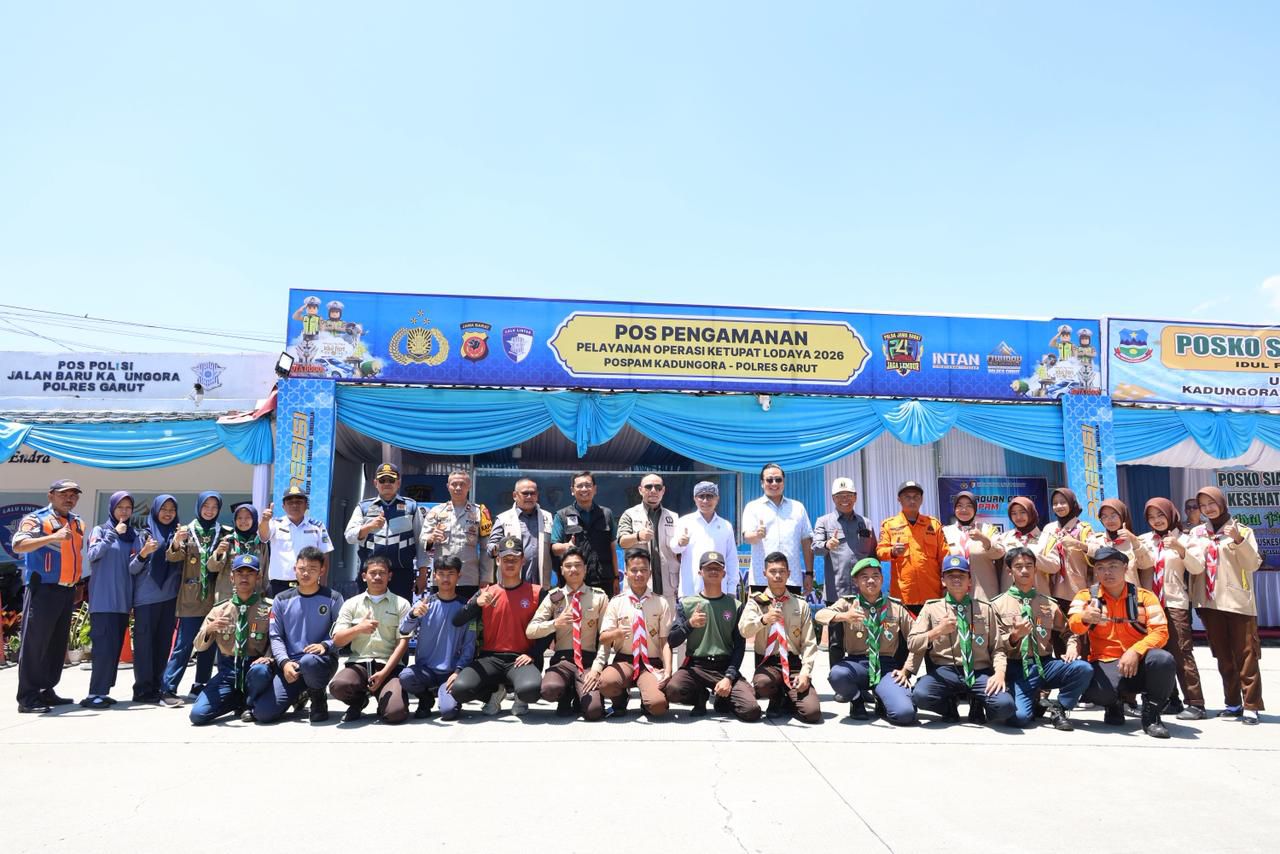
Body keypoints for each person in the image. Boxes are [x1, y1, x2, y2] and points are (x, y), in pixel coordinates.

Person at [1067, 546, 1175, 738]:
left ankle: (1151, 715)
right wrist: (1084, 617)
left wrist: (1136, 650)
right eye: (1100, 568)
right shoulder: (1086, 596)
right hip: (1105, 661)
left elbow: (1161, 632)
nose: (1107, 572)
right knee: (1098, 692)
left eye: (1113, 566)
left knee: (1163, 660)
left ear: (1125, 568)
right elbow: (1073, 625)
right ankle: (1113, 704)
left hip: (1139, 661)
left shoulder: (1145, 597)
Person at [990, 547, 1092, 731]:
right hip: (1016, 667)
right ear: (1009, 571)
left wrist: (1072, 646)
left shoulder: (1048, 603)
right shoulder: (996, 605)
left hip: (1044, 665)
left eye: (1029, 566)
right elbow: (993, 645)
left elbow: (1069, 631)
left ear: (1036, 569)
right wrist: (1014, 636)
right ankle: (1032, 701)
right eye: (1018, 566)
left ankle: (1059, 708)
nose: (1024, 570)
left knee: (1082, 669)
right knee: (1019, 719)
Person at [1189, 486, 1266, 725]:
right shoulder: (1197, 533)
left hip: (1237, 602)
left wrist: (1238, 540)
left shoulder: (1242, 530)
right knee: (1223, 656)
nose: (1208, 509)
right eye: (1203, 505)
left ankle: (1251, 705)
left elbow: (1252, 564)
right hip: (1209, 602)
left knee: (1246, 655)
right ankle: (1232, 703)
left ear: (1222, 503)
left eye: (1212, 503)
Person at [908, 555, 1014, 726]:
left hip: (978, 671)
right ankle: (948, 706)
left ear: (969, 580)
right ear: (943, 580)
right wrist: (937, 631)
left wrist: (1000, 674)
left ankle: (979, 702)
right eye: (951, 575)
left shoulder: (985, 609)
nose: (956, 579)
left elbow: (998, 648)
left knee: (1005, 706)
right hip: (946, 671)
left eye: (962, 575)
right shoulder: (931, 608)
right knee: (921, 696)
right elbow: (912, 643)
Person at [10, 480, 86, 713]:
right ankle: (27, 697)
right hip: (43, 589)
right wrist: (52, 538)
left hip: (67, 589)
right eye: (64, 494)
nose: (69, 498)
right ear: (51, 495)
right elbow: (18, 545)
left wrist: (76, 583)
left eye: (73, 495)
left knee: (55, 644)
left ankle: (46, 690)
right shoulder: (36, 519)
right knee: (35, 644)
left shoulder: (77, 522)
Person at [245, 546, 344, 723]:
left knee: (308, 661)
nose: (306, 573)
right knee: (263, 714)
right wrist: (284, 663)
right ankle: (299, 694)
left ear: (321, 571)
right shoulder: (281, 599)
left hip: (320, 662)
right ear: (294, 569)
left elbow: (341, 633)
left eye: (312, 569)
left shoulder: (333, 598)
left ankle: (318, 699)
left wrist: (326, 645)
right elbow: (276, 636)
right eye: (302, 569)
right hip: (290, 666)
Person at [450, 536, 543, 716]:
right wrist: (475, 603)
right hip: (490, 658)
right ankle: (494, 693)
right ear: (498, 561)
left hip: (520, 659)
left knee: (531, 690)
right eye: (506, 559)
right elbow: (457, 621)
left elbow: (548, 631)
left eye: (515, 559)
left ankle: (520, 696)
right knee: (460, 690)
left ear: (523, 561)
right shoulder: (485, 592)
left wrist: (533, 654)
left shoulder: (536, 592)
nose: (510, 563)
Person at [817, 557, 918, 725]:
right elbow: (820, 616)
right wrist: (844, 616)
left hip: (886, 667)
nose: (871, 580)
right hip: (858, 664)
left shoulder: (895, 607)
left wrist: (906, 670)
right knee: (837, 675)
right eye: (864, 577)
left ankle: (882, 698)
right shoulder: (848, 603)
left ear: (882, 579)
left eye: (875, 576)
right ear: (855, 581)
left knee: (904, 714)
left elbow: (918, 639)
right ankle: (857, 700)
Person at [663, 552, 761, 722]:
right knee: (673, 690)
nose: (713, 571)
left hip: (724, 666)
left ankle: (723, 698)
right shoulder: (687, 604)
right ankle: (699, 696)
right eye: (709, 568)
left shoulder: (735, 605)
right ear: (700, 572)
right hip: (696, 666)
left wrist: (729, 677)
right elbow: (672, 641)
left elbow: (739, 647)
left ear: (724, 573)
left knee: (751, 710)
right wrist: (689, 624)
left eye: (717, 568)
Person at [1141, 498, 1207, 720]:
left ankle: (1196, 703)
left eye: (1160, 515)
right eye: (1151, 517)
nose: (1156, 520)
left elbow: (1197, 567)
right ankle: (1171, 700)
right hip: (1150, 606)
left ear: (1171, 514)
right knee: (1157, 653)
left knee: (1181, 652)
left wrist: (1180, 549)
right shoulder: (1145, 540)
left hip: (1174, 603)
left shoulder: (1186, 539)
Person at [188, 554, 274, 725]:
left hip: (255, 668)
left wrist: (268, 657)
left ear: (258, 577)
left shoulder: (269, 608)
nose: (244, 577)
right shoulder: (220, 609)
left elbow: (277, 639)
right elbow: (198, 645)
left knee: (260, 672)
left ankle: (249, 702)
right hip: (229, 670)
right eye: (240, 573)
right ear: (232, 577)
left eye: (250, 573)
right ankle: (237, 700)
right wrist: (210, 629)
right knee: (197, 715)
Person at [526, 547, 608, 720]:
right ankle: (566, 694)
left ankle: (581, 695)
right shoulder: (554, 597)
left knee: (593, 711)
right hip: (562, 661)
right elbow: (531, 631)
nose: (573, 569)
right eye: (568, 566)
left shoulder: (599, 597)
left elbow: (605, 638)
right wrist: (555, 623)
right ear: (562, 570)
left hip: (587, 660)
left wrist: (597, 668)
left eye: (578, 565)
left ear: (585, 568)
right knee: (549, 689)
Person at [329, 555, 411, 723]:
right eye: (373, 573)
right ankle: (358, 701)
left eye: (382, 573)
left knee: (396, 713)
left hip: (389, 666)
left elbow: (402, 644)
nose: (377, 577)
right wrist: (359, 628)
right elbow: (337, 640)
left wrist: (384, 673)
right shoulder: (351, 604)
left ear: (390, 576)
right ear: (364, 576)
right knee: (338, 686)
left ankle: (384, 700)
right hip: (359, 664)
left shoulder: (402, 604)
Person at [739, 552, 820, 723]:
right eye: (773, 571)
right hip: (768, 663)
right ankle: (776, 698)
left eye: (782, 571)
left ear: (789, 574)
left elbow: (809, 643)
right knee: (762, 684)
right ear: (764, 574)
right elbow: (744, 630)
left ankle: (788, 698)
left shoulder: (800, 604)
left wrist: (805, 673)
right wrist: (763, 620)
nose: (777, 576)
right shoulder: (756, 602)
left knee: (812, 713)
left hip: (793, 664)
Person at [82, 491, 145, 709]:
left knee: (114, 649)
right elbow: (93, 555)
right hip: (103, 601)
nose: (124, 512)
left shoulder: (132, 535)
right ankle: (93, 694)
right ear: (112, 509)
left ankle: (103, 692)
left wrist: (144, 554)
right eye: (120, 507)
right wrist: (113, 534)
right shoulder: (101, 530)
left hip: (122, 602)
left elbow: (133, 568)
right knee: (103, 649)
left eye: (128, 508)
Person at [161, 491, 226, 703]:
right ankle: (168, 688)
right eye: (206, 506)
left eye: (214, 507)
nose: (210, 511)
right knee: (184, 644)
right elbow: (173, 557)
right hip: (191, 597)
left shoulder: (224, 533)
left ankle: (200, 685)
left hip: (215, 597)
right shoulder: (186, 531)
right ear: (199, 507)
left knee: (209, 642)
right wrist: (177, 542)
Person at [595, 549, 673, 718]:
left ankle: (647, 703)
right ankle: (620, 700)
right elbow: (603, 637)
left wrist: (668, 670)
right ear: (626, 573)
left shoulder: (660, 602)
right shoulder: (617, 602)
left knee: (658, 706)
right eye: (634, 570)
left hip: (650, 663)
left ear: (650, 573)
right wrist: (616, 633)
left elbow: (665, 641)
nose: (639, 574)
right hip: (625, 660)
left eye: (643, 570)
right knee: (606, 683)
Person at [397, 556, 476, 720]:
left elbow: (469, 646)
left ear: (459, 576)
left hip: (451, 673)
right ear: (434, 576)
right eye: (441, 574)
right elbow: (404, 630)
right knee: (406, 676)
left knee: (448, 712)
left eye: (451, 574)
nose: (446, 579)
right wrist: (413, 614)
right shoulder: (424, 605)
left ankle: (448, 696)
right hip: (425, 671)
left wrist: (458, 671)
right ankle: (425, 699)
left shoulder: (466, 608)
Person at [811, 477, 876, 678]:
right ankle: (838, 680)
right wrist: (826, 545)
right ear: (833, 498)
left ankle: (865, 679)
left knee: (866, 638)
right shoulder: (824, 521)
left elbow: (873, 554)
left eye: (848, 495)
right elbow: (815, 548)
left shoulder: (866, 522)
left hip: (863, 592)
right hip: (836, 591)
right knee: (836, 642)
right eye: (840, 496)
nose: (844, 499)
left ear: (855, 497)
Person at [345, 463, 426, 601]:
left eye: (391, 480)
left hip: (401, 573)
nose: (387, 483)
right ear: (375, 483)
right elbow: (349, 536)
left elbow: (422, 542)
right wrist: (369, 527)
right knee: (368, 612)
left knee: (401, 612)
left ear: (398, 483)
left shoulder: (411, 506)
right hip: (371, 573)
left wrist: (422, 575)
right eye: (382, 480)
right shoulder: (364, 507)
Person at [133, 494, 183, 707]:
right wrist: (144, 553)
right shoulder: (143, 534)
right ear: (155, 511)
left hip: (170, 598)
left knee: (163, 645)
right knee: (144, 645)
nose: (168, 513)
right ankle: (143, 690)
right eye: (164, 509)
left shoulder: (178, 535)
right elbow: (132, 568)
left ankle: (157, 687)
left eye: (172, 509)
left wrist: (179, 542)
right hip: (146, 599)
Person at [741, 463, 813, 595]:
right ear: (762, 483)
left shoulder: (798, 508)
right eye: (769, 480)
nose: (774, 483)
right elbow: (747, 537)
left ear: (783, 482)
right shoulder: (752, 507)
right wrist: (757, 535)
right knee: (761, 610)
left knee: (793, 610)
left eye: (778, 479)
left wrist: (809, 573)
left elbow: (806, 541)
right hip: (762, 579)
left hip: (791, 579)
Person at [876, 480, 947, 615]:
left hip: (931, 594)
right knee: (904, 630)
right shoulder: (889, 525)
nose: (912, 501)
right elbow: (880, 552)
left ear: (922, 499)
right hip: (903, 595)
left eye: (916, 497)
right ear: (899, 499)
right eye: (907, 497)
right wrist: (892, 551)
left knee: (934, 629)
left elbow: (945, 557)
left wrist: (946, 586)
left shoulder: (933, 524)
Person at [421, 468, 492, 600]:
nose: (458, 488)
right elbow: (423, 544)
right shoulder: (436, 512)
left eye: (462, 484)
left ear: (469, 486)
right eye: (454, 484)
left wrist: (486, 578)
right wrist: (431, 539)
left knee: (468, 612)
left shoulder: (480, 512)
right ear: (448, 486)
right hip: (442, 577)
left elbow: (486, 549)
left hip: (468, 578)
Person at [615, 473, 680, 609]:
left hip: (668, 586)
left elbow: (678, 551)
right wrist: (638, 536)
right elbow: (622, 542)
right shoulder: (629, 514)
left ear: (663, 490)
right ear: (640, 490)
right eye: (648, 487)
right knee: (639, 622)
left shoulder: (674, 517)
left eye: (658, 487)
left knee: (668, 623)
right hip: (639, 586)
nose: (653, 491)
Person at [550, 471, 618, 596]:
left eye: (588, 485)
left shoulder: (606, 514)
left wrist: (616, 577)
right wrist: (567, 546)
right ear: (572, 490)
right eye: (580, 486)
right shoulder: (561, 515)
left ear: (595, 489)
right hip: (573, 580)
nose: (584, 489)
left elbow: (613, 548)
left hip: (603, 580)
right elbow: (554, 548)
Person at [260, 486, 335, 596]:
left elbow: (325, 555)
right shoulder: (274, 524)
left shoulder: (317, 526)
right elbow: (263, 536)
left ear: (306, 505)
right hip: (279, 586)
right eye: (290, 502)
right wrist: (265, 520)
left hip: (309, 584)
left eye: (299, 502)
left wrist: (322, 585)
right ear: (283, 506)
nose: (294, 505)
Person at [670, 481, 736, 598]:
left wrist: (731, 589)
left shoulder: (726, 526)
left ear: (717, 499)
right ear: (695, 499)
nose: (705, 501)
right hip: (690, 590)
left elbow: (732, 559)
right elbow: (674, 548)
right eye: (701, 496)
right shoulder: (685, 521)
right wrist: (680, 543)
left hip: (719, 591)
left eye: (710, 496)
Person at [488, 478, 553, 588]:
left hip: (541, 583)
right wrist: (497, 548)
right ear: (515, 495)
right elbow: (491, 547)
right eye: (525, 493)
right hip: (512, 585)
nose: (529, 497)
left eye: (532, 493)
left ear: (537, 495)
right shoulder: (503, 518)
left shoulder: (548, 517)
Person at [942, 491, 1004, 599]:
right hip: (955, 594)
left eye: (969, 506)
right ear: (954, 509)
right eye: (959, 506)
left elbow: (1000, 553)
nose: (964, 510)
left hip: (983, 594)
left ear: (975, 509)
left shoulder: (987, 529)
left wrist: (984, 540)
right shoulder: (945, 532)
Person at [1038, 488, 1093, 605]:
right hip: (1051, 588)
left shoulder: (1083, 528)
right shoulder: (1049, 528)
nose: (1059, 506)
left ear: (1072, 503)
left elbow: (1096, 552)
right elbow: (1040, 552)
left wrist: (1077, 544)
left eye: (1063, 502)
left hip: (1076, 589)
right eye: (1055, 503)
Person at [1087, 498, 1154, 589]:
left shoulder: (1135, 542)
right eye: (1104, 516)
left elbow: (1147, 565)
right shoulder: (1095, 541)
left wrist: (1134, 540)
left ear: (1122, 516)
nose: (1109, 520)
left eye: (1113, 515)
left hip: (1130, 595)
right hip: (1103, 595)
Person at [207, 503, 267, 599]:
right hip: (228, 596)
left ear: (254, 519)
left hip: (254, 597)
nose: (243, 521)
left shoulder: (261, 543)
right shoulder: (227, 541)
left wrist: (264, 593)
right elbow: (212, 568)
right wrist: (218, 553)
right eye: (239, 518)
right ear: (235, 520)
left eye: (247, 517)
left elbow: (265, 572)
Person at [994, 497, 1050, 594]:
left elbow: (1054, 567)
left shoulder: (1046, 538)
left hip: (1038, 595)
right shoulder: (1004, 537)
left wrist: (1031, 556)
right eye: (1014, 513)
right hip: (1010, 596)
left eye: (1023, 512)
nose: (1018, 517)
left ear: (1031, 513)